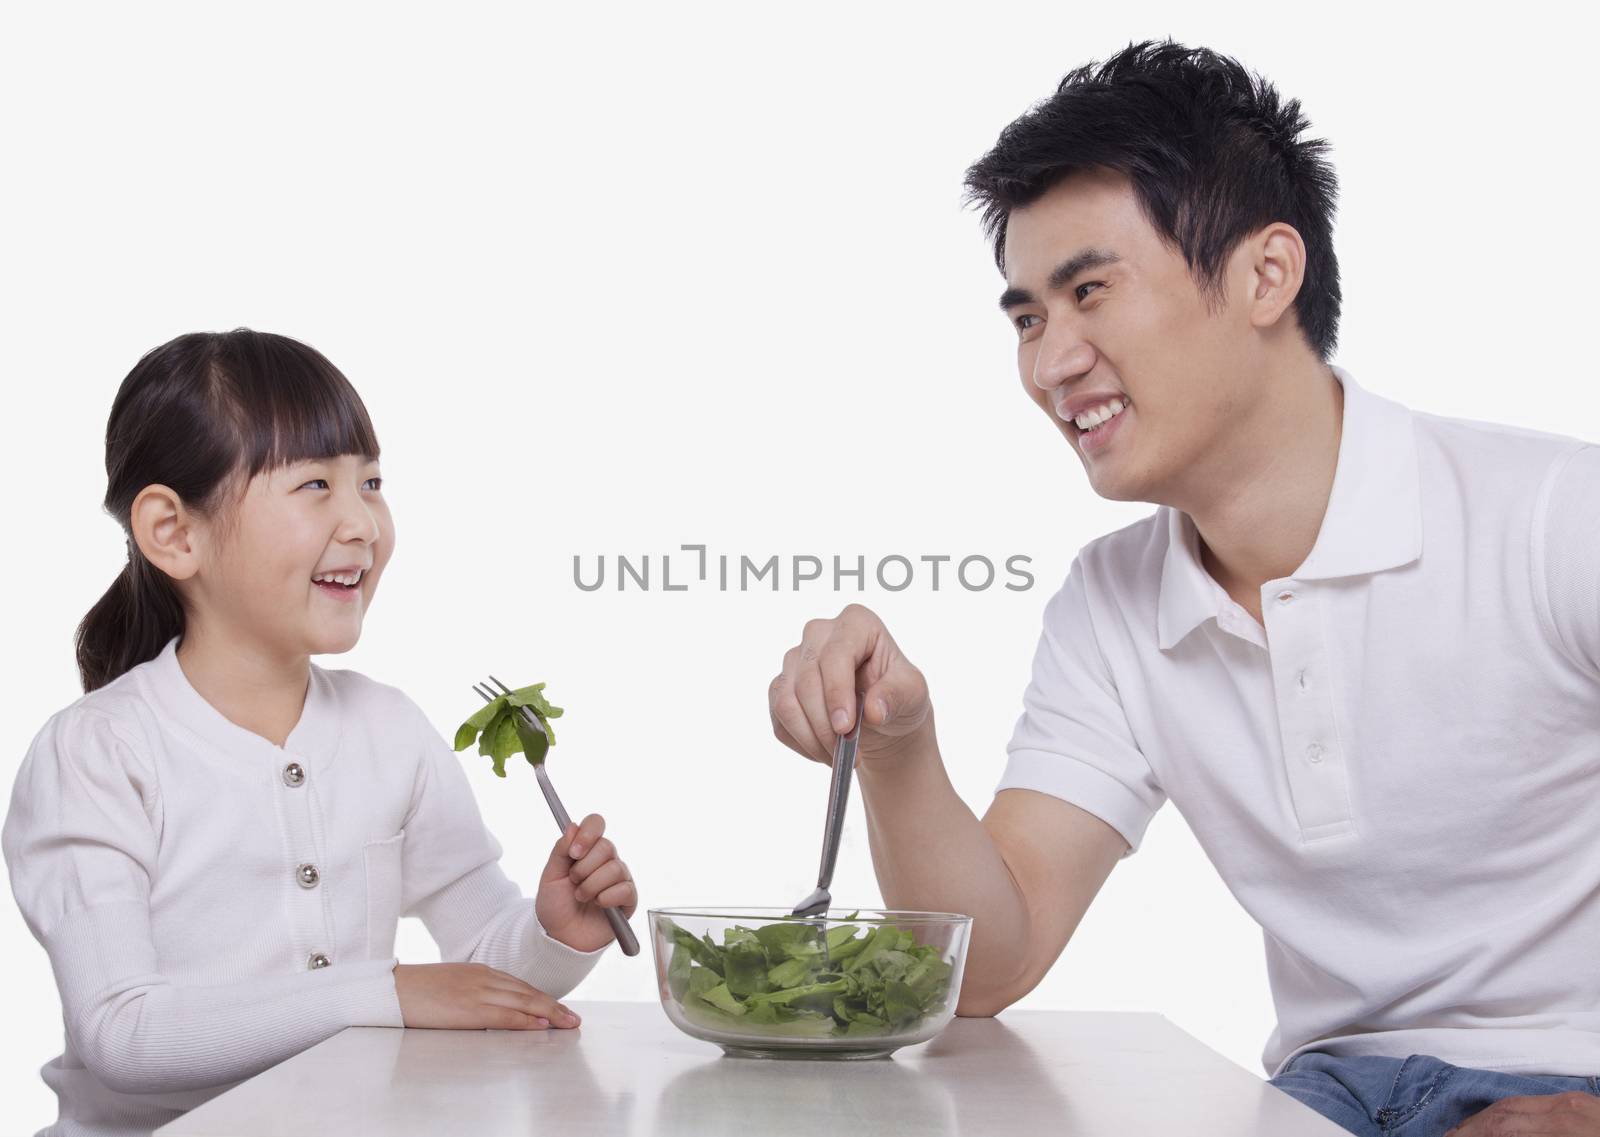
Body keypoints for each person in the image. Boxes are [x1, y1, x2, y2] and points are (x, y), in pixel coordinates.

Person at [768, 40, 1600, 1137]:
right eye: (1026, 317)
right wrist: (897, 743)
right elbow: (985, 965)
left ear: (1267, 275)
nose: (1049, 364)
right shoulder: (1111, 602)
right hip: (1324, 1096)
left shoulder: (1553, 517)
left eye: (1091, 292)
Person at [3, 329, 638, 1137]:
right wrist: (387, 992)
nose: (363, 522)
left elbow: (482, 962)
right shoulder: (96, 753)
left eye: (370, 482)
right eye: (314, 484)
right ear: (173, 531)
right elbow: (124, 1033)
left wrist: (553, 932)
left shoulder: (389, 730)